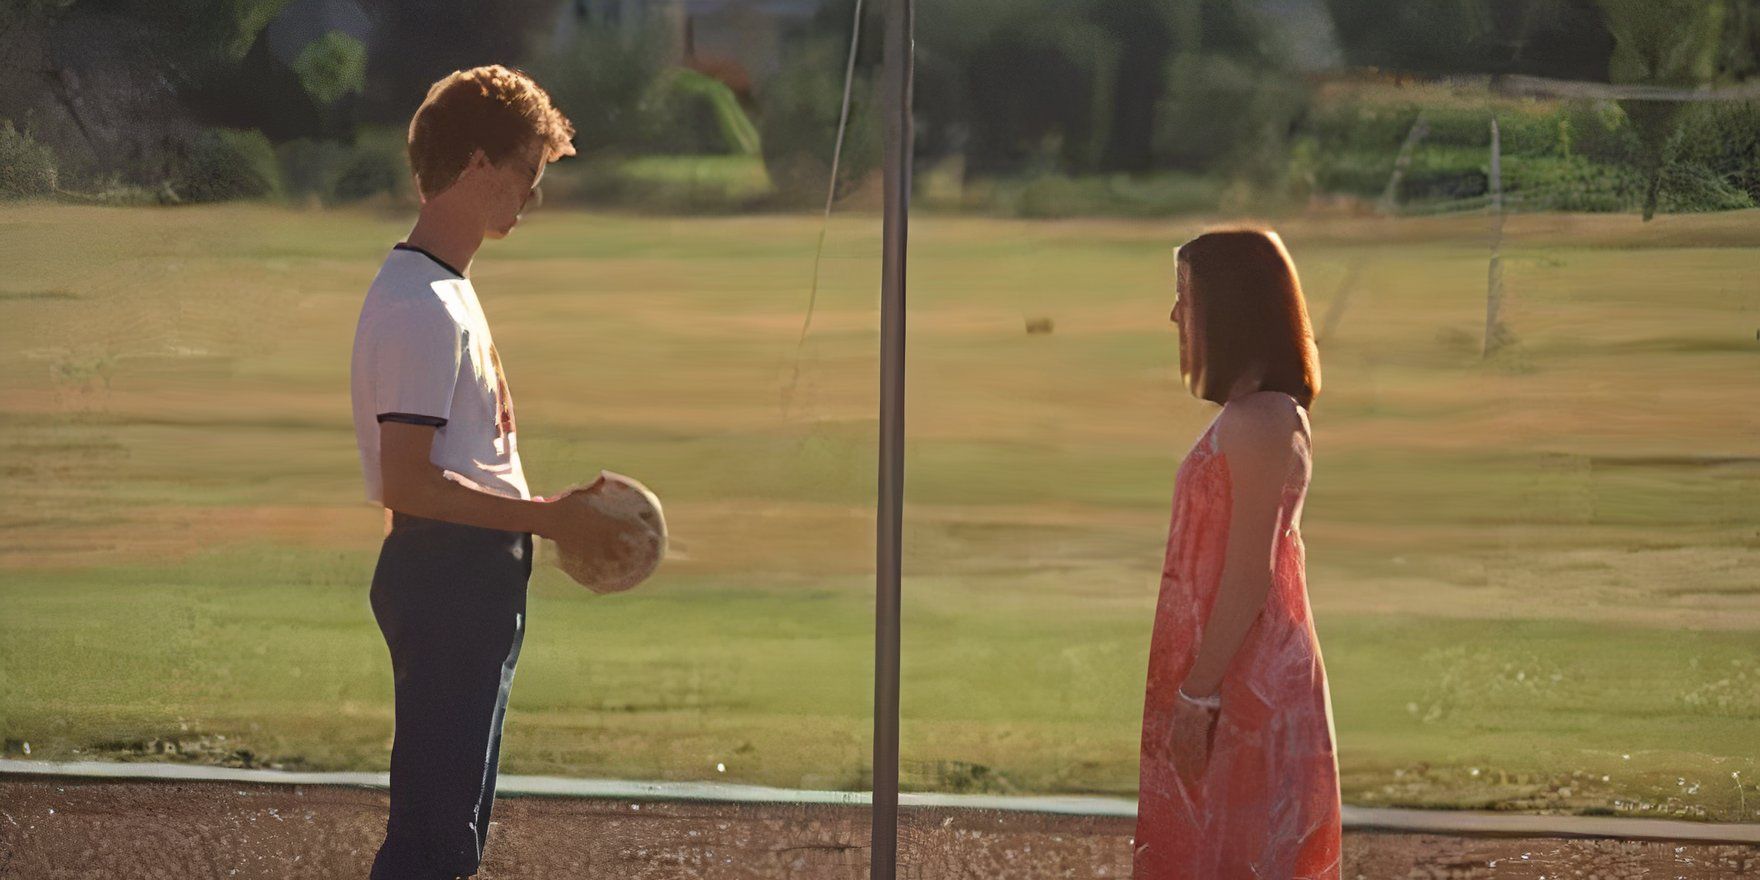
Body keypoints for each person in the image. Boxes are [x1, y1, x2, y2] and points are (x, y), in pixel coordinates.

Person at [348, 64, 626, 879]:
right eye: (525, 176)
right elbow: (406, 482)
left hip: (467, 570)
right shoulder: (422, 308)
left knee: (450, 833)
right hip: (447, 572)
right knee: (434, 841)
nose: (531, 198)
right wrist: (549, 517)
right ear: (476, 167)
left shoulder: (443, 289)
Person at [1133, 227, 1341, 879]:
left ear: (1230, 307)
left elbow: (1249, 577)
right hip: (1228, 674)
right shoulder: (1260, 412)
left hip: (1240, 683)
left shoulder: (1259, 422)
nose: (1173, 314)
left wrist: (1199, 697)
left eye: (1184, 296)